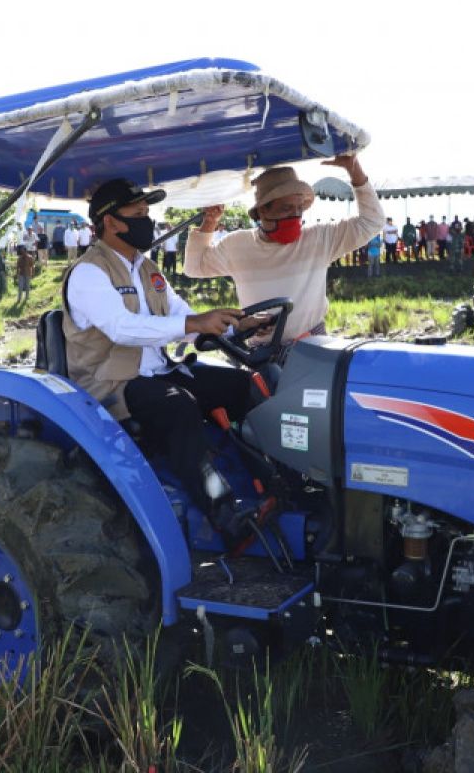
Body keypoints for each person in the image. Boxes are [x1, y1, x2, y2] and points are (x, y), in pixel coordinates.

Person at [63, 178, 267, 548]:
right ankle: (226, 518)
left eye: (147, 212)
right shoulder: (88, 273)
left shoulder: (147, 269)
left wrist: (233, 325)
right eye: (138, 213)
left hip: (157, 372)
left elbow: (182, 318)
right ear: (111, 222)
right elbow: (121, 328)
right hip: (110, 384)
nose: (147, 219)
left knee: (243, 385)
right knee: (178, 406)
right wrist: (193, 324)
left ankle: (271, 485)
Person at [184, 155, 384, 348]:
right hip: (259, 354)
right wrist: (209, 222)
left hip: (314, 348)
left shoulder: (319, 238)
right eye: (286, 208)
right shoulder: (237, 244)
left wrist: (354, 169)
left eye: (299, 208)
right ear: (263, 211)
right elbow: (195, 267)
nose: (295, 215)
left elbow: (372, 222)